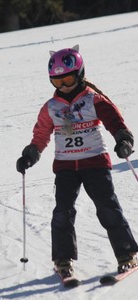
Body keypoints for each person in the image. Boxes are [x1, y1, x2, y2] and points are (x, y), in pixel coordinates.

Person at [16, 45, 138, 277]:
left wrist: (123, 140)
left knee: (107, 208)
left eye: (68, 79)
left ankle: (127, 253)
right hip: (65, 167)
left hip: (95, 163)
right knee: (62, 212)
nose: (63, 86)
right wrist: (30, 154)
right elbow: (41, 135)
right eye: (57, 82)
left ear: (80, 74)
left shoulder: (94, 100)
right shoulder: (51, 108)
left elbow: (116, 123)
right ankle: (63, 260)